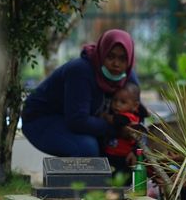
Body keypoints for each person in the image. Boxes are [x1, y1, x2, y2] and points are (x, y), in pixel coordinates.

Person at [21, 29, 138, 157]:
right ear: (102, 53)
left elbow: (136, 112)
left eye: (122, 59)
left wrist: (133, 141)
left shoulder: (127, 76)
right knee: (88, 148)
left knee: (121, 147)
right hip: (42, 120)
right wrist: (116, 130)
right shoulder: (81, 72)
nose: (116, 64)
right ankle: (72, 177)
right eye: (110, 56)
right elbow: (78, 121)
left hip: (80, 121)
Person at [103, 82, 146, 178]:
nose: (117, 105)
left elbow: (118, 120)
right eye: (115, 100)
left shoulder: (129, 118)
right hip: (113, 154)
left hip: (124, 157)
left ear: (135, 106)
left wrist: (105, 116)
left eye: (123, 102)